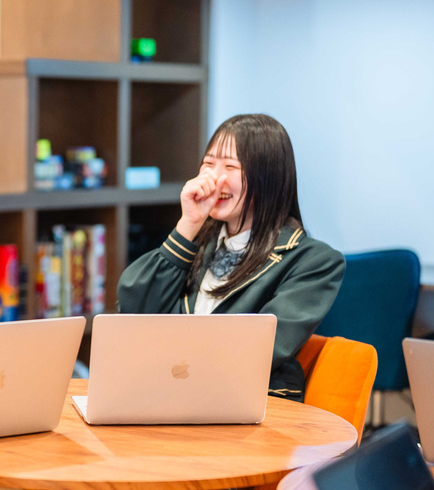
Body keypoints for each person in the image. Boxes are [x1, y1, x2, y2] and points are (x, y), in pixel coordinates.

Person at [117, 113, 345, 402]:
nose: (214, 178)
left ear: (268, 177)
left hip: (252, 409)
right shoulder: (195, 243)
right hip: (169, 396)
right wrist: (188, 224)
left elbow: (261, 349)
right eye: (209, 164)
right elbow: (132, 312)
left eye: (230, 166)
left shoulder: (314, 261)